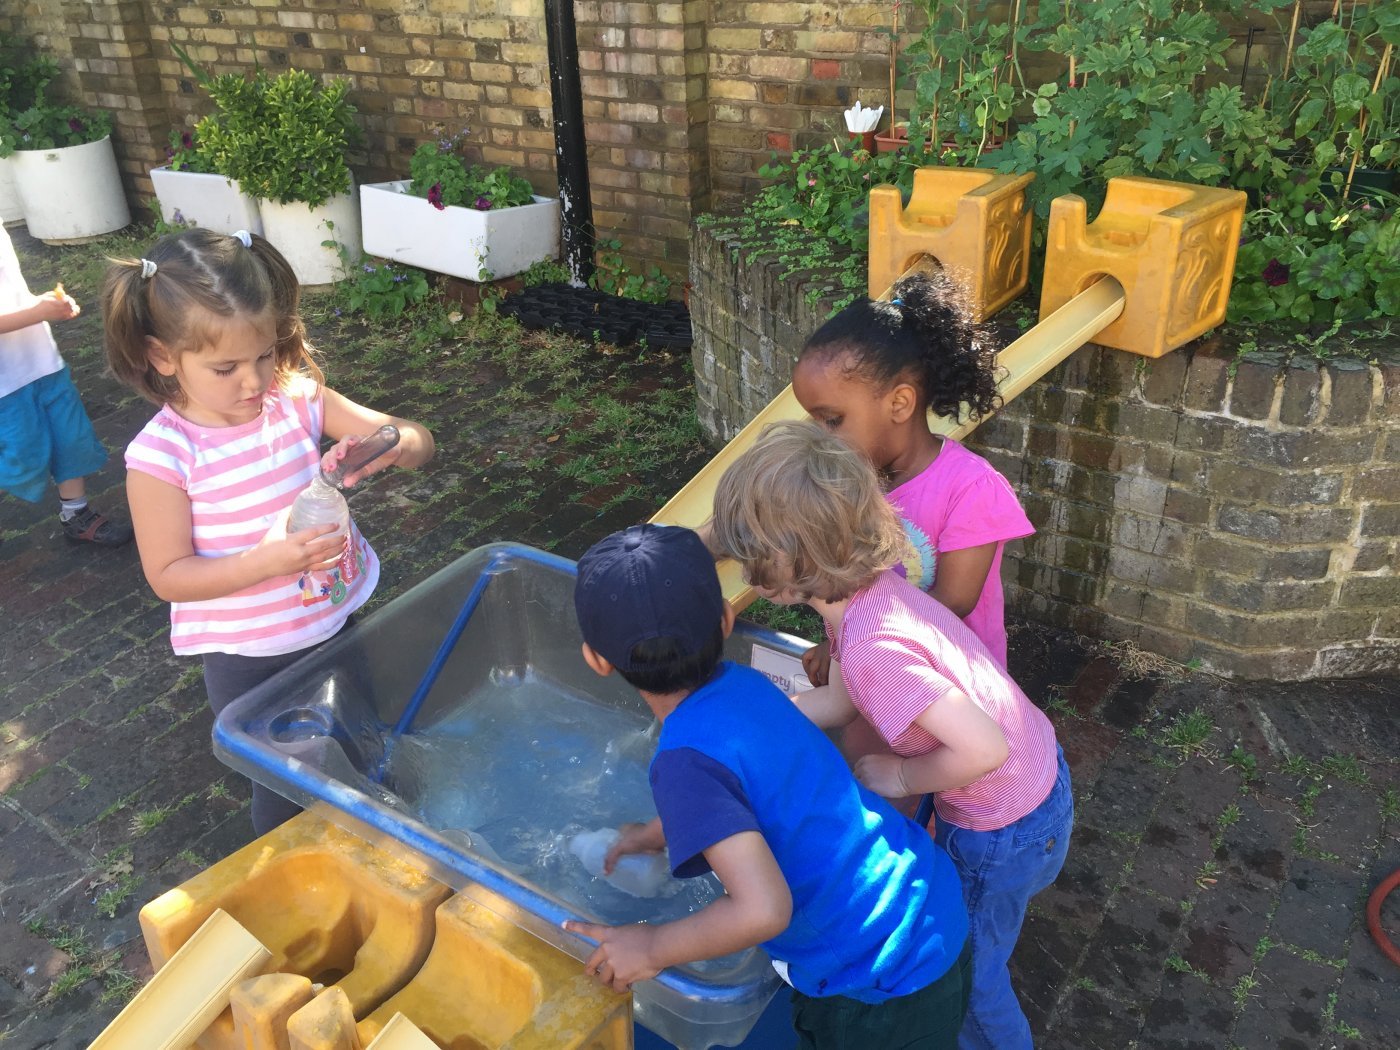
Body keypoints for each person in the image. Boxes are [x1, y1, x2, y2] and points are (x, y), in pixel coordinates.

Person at [710, 420, 1072, 1050]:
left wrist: (902, 776)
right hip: (1034, 784)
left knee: (972, 979)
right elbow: (842, 698)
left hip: (1003, 826)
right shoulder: (868, 595)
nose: (742, 567)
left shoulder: (876, 646)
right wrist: (757, 722)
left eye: (749, 553)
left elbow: (986, 749)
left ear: (789, 565)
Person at [563, 523, 972, 1049]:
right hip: (925, 899)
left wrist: (652, 947)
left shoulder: (682, 763)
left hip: (878, 981)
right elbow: (748, 785)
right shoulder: (746, 685)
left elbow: (763, 910)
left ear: (596, 659)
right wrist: (655, 832)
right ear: (726, 618)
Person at [101, 228, 435, 833]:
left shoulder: (296, 400)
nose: (254, 381)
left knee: (361, 742)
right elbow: (168, 576)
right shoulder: (163, 457)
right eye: (225, 367)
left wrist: (393, 444)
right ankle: (294, 869)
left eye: (263, 355)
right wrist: (268, 561)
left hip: (333, 625)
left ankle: (386, 836)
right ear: (163, 356)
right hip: (249, 660)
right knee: (286, 788)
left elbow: (417, 439)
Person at [792, 269, 1033, 680]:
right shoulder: (855, 482)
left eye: (832, 420)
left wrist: (850, 645)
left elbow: (952, 601)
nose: (820, 437)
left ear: (900, 404)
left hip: (955, 686)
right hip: (878, 670)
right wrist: (840, 643)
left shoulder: (972, 488)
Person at [0, 224, 132, 546]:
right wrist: (36, 312)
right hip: (5, 383)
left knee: (70, 438)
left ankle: (76, 514)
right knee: (22, 455)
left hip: (42, 361)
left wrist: (41, 302)